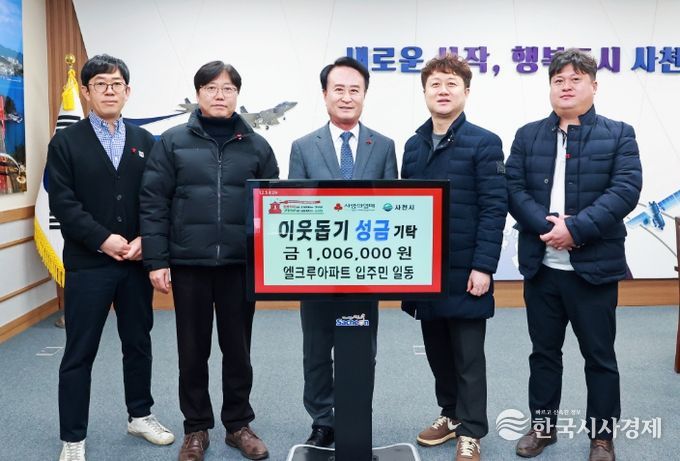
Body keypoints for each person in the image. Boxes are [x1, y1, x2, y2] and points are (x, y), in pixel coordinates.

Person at [506, 48, 642, 461]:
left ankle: (602, 437)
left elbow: (625, 190)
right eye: (558, 80)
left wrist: (575, 230)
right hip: (541, 267)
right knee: (543, 354)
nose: (566, 86)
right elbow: (513, 188)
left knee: (599, 357)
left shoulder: (619, 133)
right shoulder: (528, 135)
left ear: (593, 86)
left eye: (575, 79)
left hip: (593, 268)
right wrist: (548, 228)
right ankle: (543, 428)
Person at [140, 61, 278, 461]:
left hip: (239, 266)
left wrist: (268, 264)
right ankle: (196, 428)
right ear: (198, 93)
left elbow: (273, 208)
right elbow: (153, 202)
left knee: (238, 352)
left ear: (237, 95)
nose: (220, 95)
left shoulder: (257, 146)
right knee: (192, 352)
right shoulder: (172, 142)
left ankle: (238, 425)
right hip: (189, 265)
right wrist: (156, 260)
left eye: (228, 88)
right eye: (212, 88)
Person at [48, 54, 174, 461]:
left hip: (135, 263)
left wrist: (144, 240)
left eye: (116, 83)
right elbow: (63, 203)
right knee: (79, 351)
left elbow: (158, 197)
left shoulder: (145, 141)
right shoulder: (66, 142)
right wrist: (103, 240)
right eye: (100, 84)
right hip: (89, 264)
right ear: (86, 92)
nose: (109, 90)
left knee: (138, 342)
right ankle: (73, 437)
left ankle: (140, 415)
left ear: (127, 91)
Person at [401, 54, 507, 461]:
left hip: (466, 269)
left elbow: (494, 208)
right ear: (425, 92)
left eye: (451, 84)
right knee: (438, 351)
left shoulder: (484, 142)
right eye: (435, 84)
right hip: (425, 270)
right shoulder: (413, 146)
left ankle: (472, 429)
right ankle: (450, 413)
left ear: (466, 91)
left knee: (467, 356)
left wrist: (483, 266)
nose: (442, 91)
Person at [288, 56, 398, 446]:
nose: (347, 97)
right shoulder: (303, 147)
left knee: (361, 348)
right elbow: (296, 211)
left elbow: (393, 208)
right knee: (317, 349)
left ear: (364, 95)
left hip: (365, 272)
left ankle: (355, 412)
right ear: (325, 95)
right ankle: (322, 419)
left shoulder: (383, 146)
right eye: (339, 89)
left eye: (355, 90)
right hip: (316, 272)